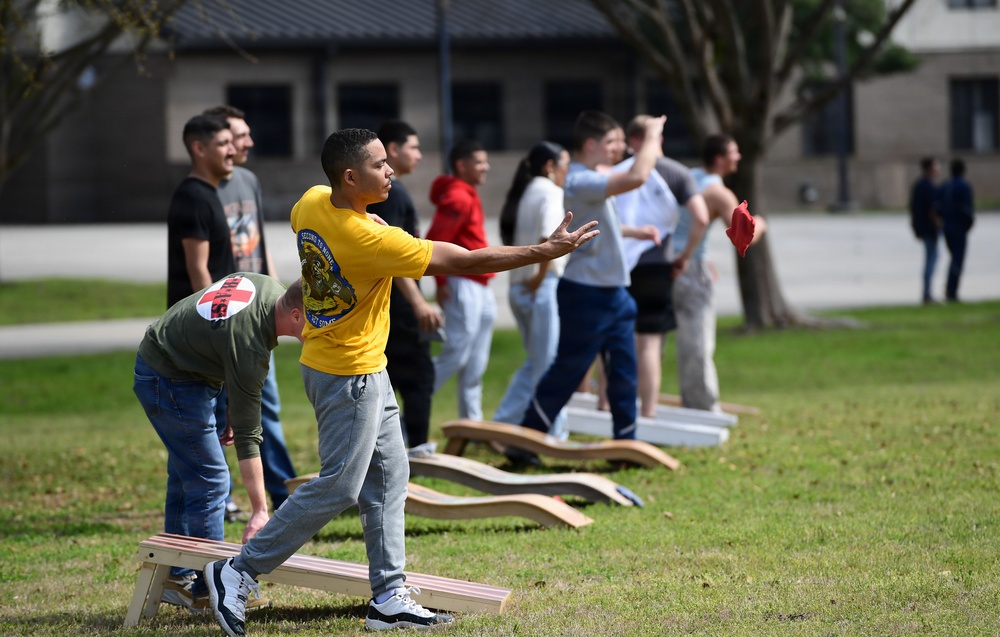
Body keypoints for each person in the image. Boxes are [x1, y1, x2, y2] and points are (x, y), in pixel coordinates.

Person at [202, 128, 599, 635]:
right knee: (342, 485)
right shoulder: (371, 239)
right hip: (350, 376)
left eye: (389, 162)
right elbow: (465, 260)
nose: (390, 171)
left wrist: (366, 216)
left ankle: (389, 596)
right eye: (378, 164)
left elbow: (335, 229)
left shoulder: (312, 202)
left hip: (351, 366)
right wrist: (542, 252)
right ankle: (239, 570)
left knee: (391, 477)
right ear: (351, 177)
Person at [133, 273, 304, 611]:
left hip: (182, 366)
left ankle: (177, 576)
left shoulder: (269, 288)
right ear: (296, 315)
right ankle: (207, 589)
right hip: (168, 376)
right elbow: (248, 435)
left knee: (188, 474)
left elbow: (221, 336)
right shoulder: (251, 344)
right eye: (317, 320)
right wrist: (259, 510)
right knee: (211, 479)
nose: (321, 329)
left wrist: (228, 403)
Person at [519, 110, 664, 450]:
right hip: (586, 293)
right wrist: (653, 135)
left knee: (623, 373)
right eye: (612, 142)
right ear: (590, 144)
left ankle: (625, 444)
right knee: (569, 371)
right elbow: (637, 177)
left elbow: (597, 224)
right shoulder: (579, 180)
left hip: (615, 292)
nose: (620, 148)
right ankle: (525, 440)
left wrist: (634, 232)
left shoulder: (592, 180)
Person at [203, 105, 298, 517]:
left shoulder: (249, 181)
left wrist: (277, 294)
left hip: (260, 313)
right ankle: (225, 495)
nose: (247, 143)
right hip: (226, 321)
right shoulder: (205, 191)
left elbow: (258, 245)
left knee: (260, 405)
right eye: (239, 136)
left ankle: (280, 491)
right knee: (221, 413)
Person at [613, 115, 709, 418]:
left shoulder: (614, 173)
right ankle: (649, 412)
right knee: (650, 344)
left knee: (614, 340)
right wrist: (686, 255)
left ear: (632, 140)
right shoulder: (678, 173)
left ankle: (604, 404)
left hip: (619, 266)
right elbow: (702, 218)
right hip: (658, 265)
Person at [672, 134, 766, 412]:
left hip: (660, 263)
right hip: (689, 269)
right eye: (733, 152)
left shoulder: (689, 177)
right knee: (697, 342)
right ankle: (702, 408)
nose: (738, 157)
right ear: (719, 158)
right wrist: (762, 223)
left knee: (650, 338)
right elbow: (743, 237)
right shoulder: (718, 192)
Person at [368, 120, 442, 451]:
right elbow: (393, 256)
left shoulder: (393, 192)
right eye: (414, 147)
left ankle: (397, 445)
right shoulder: (392, 193)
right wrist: (418, 303)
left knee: (399, 375)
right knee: (418, 376)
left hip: (393, 302)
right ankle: (417, 446)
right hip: (398, 304)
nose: (420, 155)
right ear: (393, 150)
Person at [493, 141, 571, 438]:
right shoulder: (550, 191)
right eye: (565, 165)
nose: (567, 172)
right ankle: (555, 432)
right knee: (549, 364)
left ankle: (504, 420)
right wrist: (541, 278)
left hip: (519, 287)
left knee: (536, 361)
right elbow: (548, 237)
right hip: (539, 285)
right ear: (550, 167)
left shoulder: (526, 190)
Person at [425, 139, 495, 421]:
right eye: (479, 162)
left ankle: (472, 424)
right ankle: (408, 409)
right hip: (462, 282)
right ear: (461, 165)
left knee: (476, 359)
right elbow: (434, 242)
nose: (486, 167)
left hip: (480, 284)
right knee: (456, 354)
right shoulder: (459, 197)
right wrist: (441, 283)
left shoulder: (467, 193)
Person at [166, 114, 236, 307]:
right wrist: (214, 319)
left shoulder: (206, 194)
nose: (232, 150)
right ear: (199, 148)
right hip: (199, 325)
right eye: (223, 144)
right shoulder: (194, 197)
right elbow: (198, 268)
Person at [938, 158, 975, 303]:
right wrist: (968, 225)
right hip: (958, 229)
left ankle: (950, 288)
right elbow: (967, 209)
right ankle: (951, 291)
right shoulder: (963, 186)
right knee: (957, 260)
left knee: (953, 259)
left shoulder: (945, 185)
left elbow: (938, 207)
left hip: (947, 228)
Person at [909, 157, 942, 304]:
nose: (938, 169)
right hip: (930, 229)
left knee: (930, 258)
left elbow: (913, 208)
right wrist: (938, 224)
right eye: (936, 166)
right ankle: (927, 293)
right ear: (929, 168)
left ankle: (927, 292)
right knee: (931, 259)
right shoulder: (928, 187)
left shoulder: (918, 185)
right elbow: (931, 209)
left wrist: (915, 227)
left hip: (922, 228)